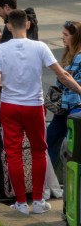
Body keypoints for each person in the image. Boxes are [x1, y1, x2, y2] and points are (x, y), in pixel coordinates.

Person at [0, 9, 81, 215]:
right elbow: (63, 75)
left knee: (13, 154)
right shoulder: (40, 47)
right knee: (39, 151)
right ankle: (38, 200)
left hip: (10, 106)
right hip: (34, 106)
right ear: (28, 24)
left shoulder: (0, 50)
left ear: (9, 26)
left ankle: (21, 202)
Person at [45, 20, 81, 168]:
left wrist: (62, 76)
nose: (62, 37)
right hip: (63, 108)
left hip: (75, 107)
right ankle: (52, 182)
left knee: (69, 149)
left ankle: (67, 184)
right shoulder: (69, 54)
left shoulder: (79, 57)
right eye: (62, 34)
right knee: (47, 141)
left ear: (76, 37)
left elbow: (74, 82)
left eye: (66, 35)